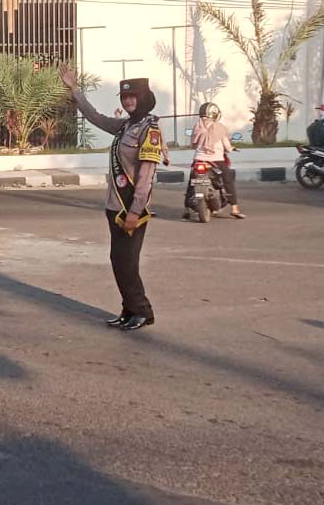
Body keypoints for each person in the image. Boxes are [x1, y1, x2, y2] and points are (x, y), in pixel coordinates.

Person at [62, 69, 163, 331]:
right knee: (119, 261)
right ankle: (130, 310)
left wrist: (135, 210)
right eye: (125, 97)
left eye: (133, 97)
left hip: (131, 207)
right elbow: (95, 117)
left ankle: (141, 311)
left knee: (127, 262)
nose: (128, 101)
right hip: (114, 206)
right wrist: (75, 90)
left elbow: (146, 175)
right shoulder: (126, 126)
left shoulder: (149, 130)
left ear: (144, 98)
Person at [183, 102, 245, 219]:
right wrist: (231, 148)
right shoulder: (220, 127)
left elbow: (193, 144)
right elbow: (227, 146)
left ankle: (186, 208)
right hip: (216, 160)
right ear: (215, 113)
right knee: (228, 180)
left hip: (199, 159)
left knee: (192, 182)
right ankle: (234, 208)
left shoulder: (198, 126)